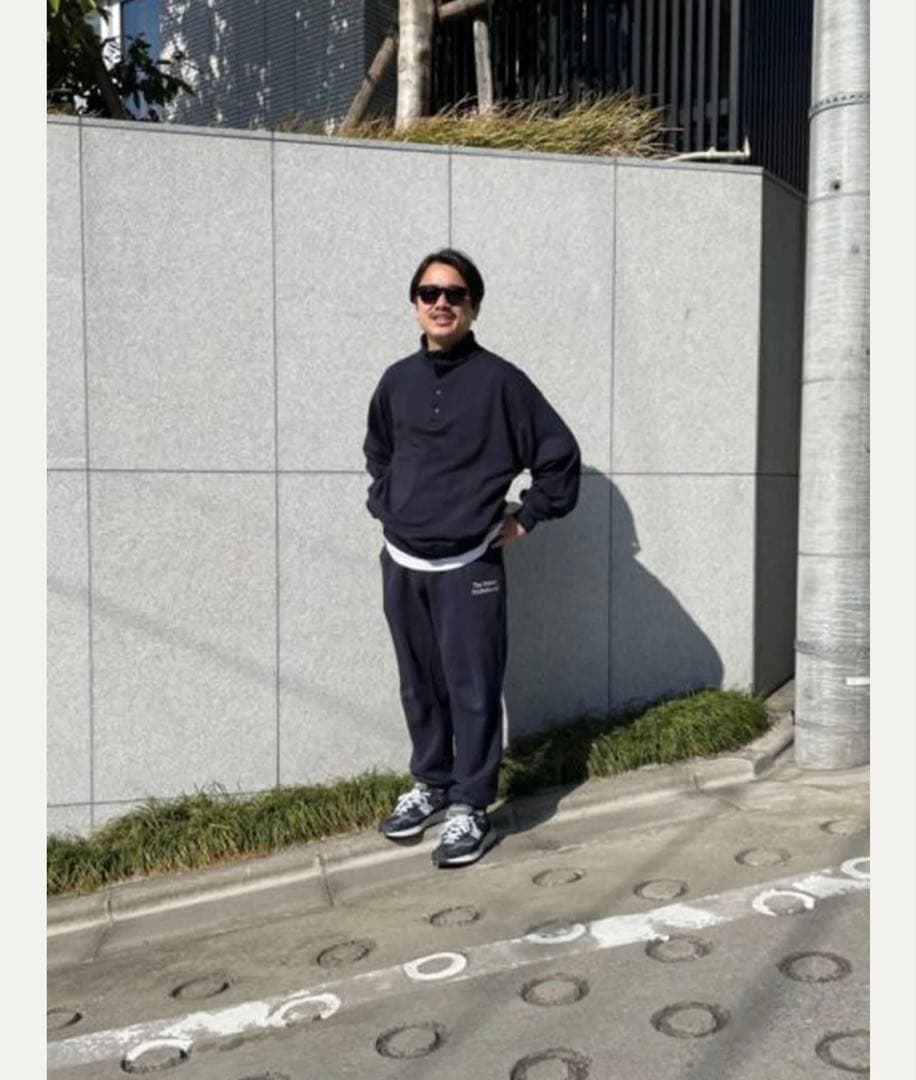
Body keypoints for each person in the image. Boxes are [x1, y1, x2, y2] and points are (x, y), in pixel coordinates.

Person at [363, 249, 580, 868]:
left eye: (454, 294)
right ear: (415, 304)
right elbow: (379, 451)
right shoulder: (396, 381)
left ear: (474, 306)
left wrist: (526, 517)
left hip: (469, 564)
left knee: (473, 686)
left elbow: (560, 458)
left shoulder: (502, 382)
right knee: (419, 684)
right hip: (403, 559)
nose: (441, 303)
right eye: (429, 293)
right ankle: (431, 785)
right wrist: (388, 501)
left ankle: (471, 806)